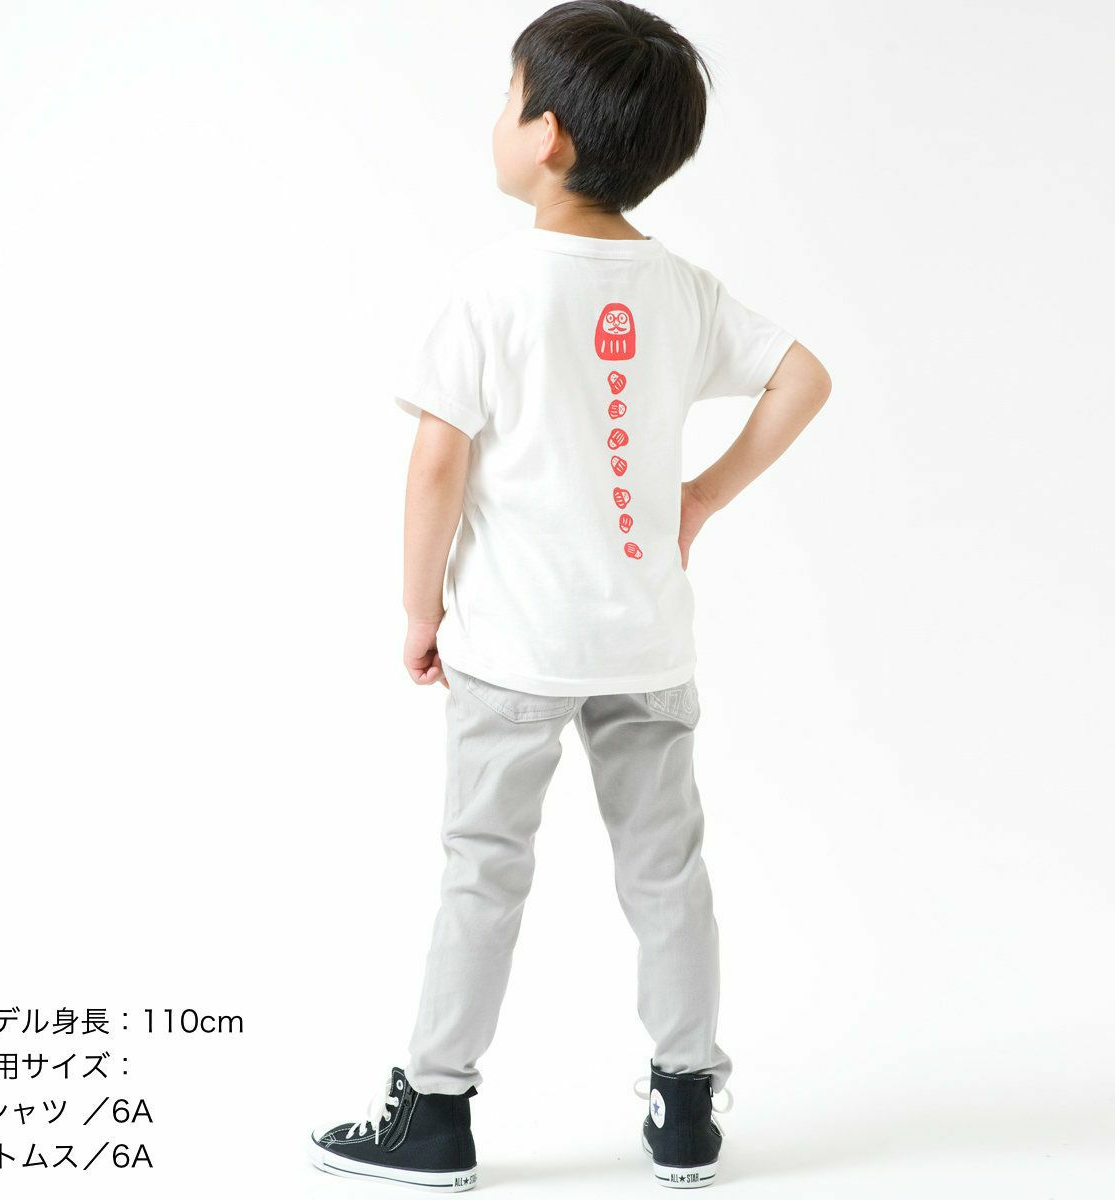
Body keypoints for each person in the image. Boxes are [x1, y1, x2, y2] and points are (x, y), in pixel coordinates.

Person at [309, 1, 830, 1190]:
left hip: (512, 649)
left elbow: (436, 465)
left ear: (546, 135)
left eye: (507, 97)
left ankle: (436, 1111)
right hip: (647, 643)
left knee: (484, 868)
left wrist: (420, 611)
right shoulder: (681, 288)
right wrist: (701, 498)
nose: (498, 117)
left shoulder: (494, 286)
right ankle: (686, 1104)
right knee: (667, 871)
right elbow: (803, 376)